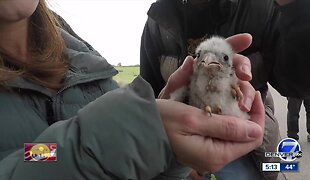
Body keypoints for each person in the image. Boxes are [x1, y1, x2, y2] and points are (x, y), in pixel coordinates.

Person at [0, 0, 265, 179]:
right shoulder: (158, 20)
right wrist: (115, 139)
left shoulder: (83, 62)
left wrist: (169, 147)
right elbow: (31, 155)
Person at [140, 0, 280, 179]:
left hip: (245, 141)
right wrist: (172, 151)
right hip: (180, 146)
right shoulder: (157, 20)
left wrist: (302, 10)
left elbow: (294, 79)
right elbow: (149, 94)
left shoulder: (260, 6)